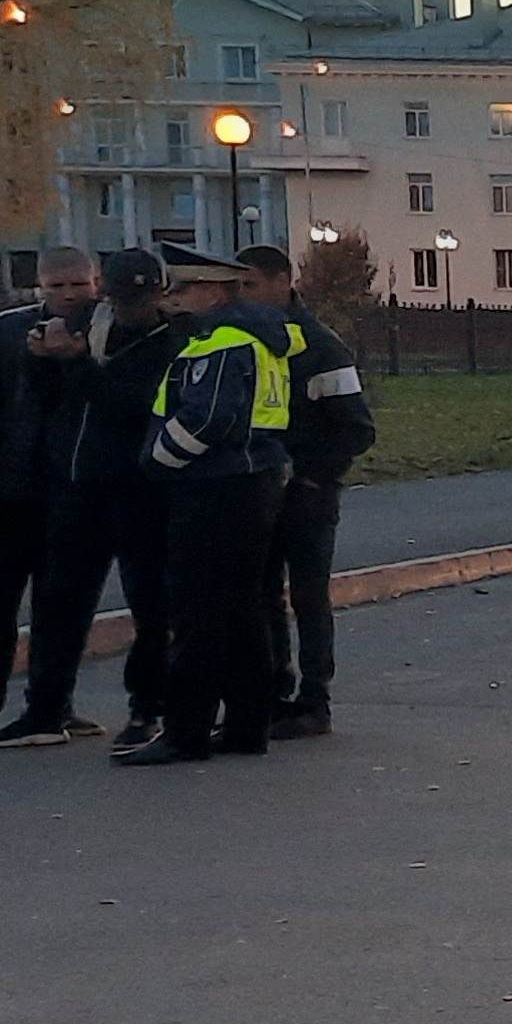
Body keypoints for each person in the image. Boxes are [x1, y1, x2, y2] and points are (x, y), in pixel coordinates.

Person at [0, 249, 182, 749]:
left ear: (161, 294)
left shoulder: (176, 339)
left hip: (143, 489)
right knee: (58, 601)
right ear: (105, 293)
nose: (130, 310)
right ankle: (47, 709)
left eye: (142, 299)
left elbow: (134, 405)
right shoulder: (79, 324)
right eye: (120, 299)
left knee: (151, 605)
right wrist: (43, 358)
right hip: (77, 483)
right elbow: (46, 398)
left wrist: (74, 364)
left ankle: (147, 710)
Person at [117, 243, 293, 766]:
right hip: (249, 482)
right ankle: (245, 727)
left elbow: (210, 418)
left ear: (214, 292)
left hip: (214, 487)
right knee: (240, 614)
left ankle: (185, 732)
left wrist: (157, 460)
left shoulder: (222, 342)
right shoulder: (253, 336)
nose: (170, 298)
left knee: (197, 616)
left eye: (182, 289)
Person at [0, 248, 101, 739]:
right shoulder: (1, 333)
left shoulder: (105, 335)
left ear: (94, 281)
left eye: (78, 284)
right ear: (39, 286)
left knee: (65, 607)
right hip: (3, 493)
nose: (69, 295)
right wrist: (1, 464)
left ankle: (54, 702)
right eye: (57, 286)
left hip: (76, 492)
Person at [237, 243, 379, 738]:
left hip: (306, 492)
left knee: (309, 594)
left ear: (282, 282)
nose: (243, 296)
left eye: (250, 285)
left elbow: (356, 426)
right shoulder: (243, 340)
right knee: (262, 593)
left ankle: (314, 698)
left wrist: (315, 475)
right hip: (258, 487)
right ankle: (275, 689)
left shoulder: (318, 345)